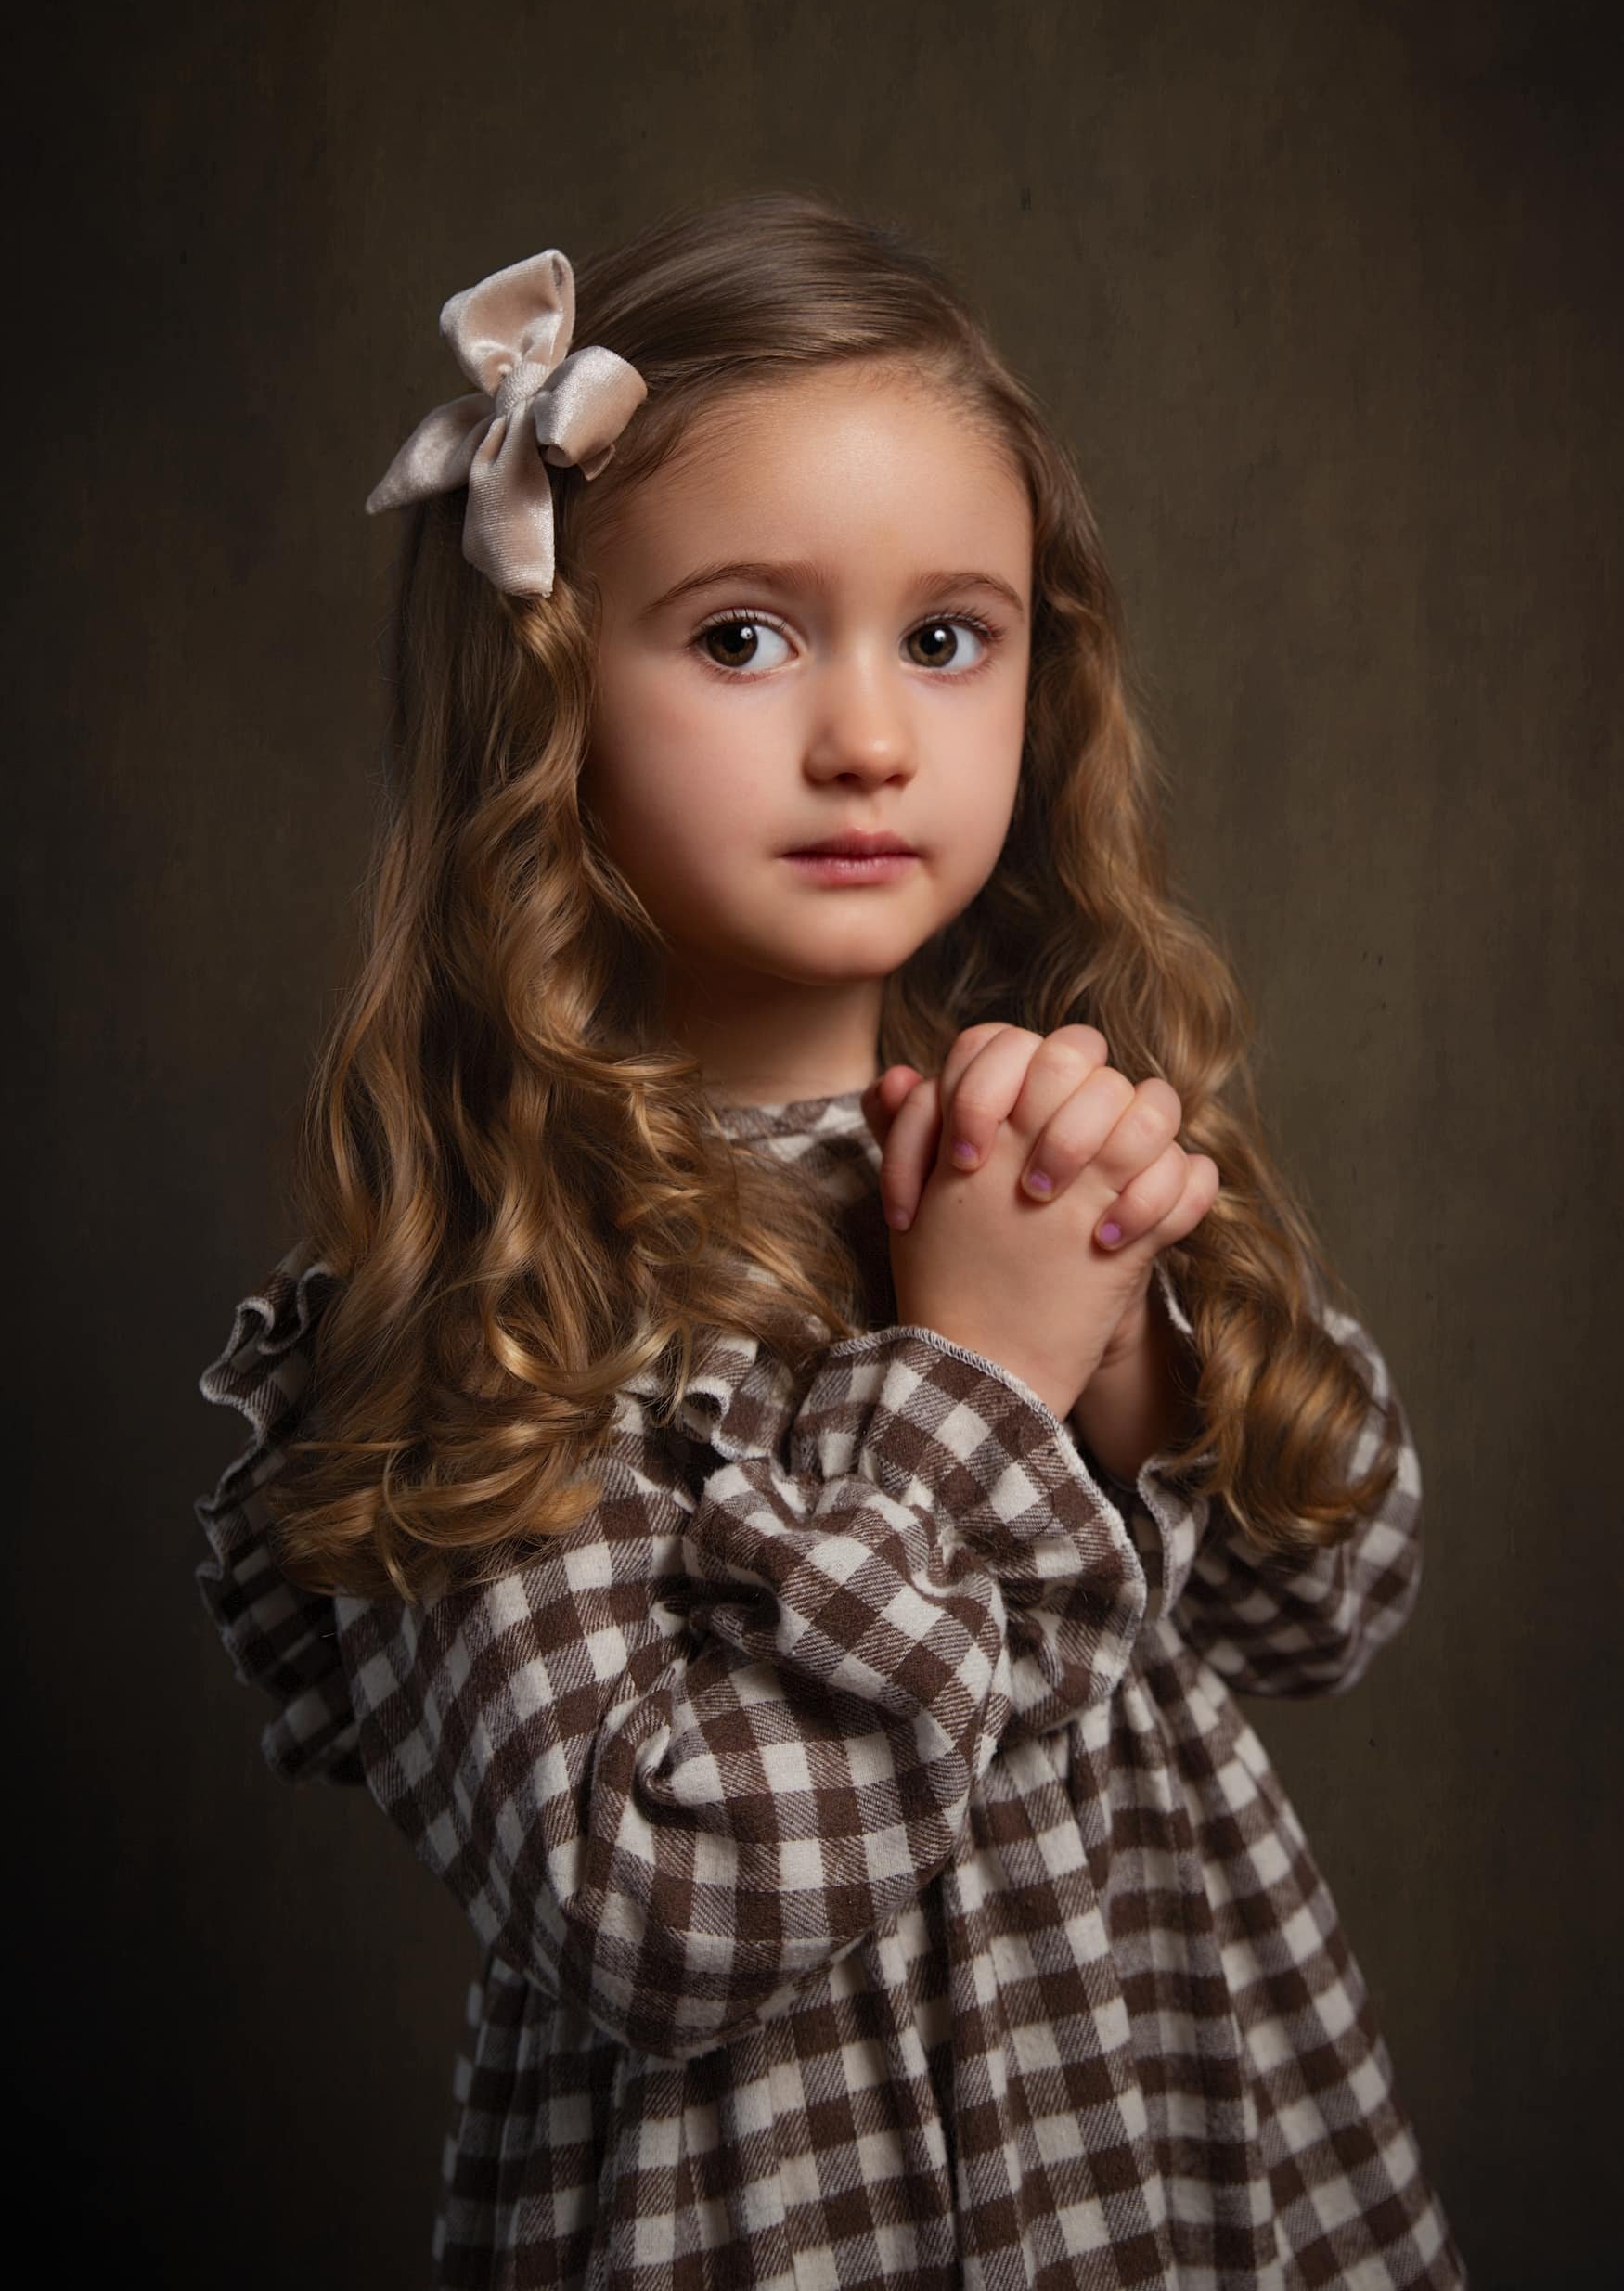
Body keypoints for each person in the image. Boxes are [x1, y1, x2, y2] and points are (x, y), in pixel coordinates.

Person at [194, 191, 1468, 2289]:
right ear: (544, 697)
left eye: (945, 635)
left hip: (1181, 2197)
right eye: (740, 636)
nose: (868, 733)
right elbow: (657, 1906)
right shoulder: (494, 1298)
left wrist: (1133, 1365)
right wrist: (973, 1388)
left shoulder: (1026, 1132)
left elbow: (1336, 1596)